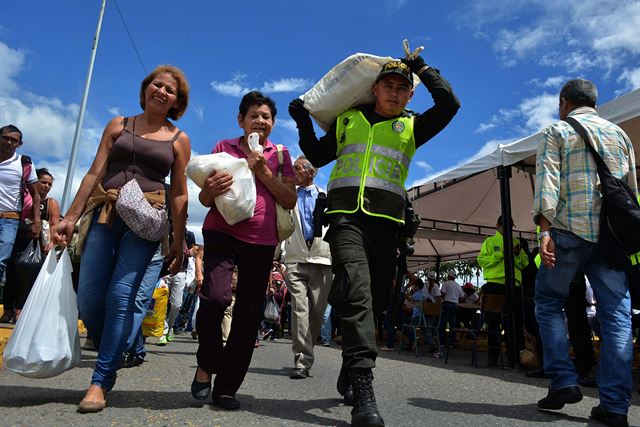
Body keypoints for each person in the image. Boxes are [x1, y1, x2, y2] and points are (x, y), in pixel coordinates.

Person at [289, 50, 459, 426]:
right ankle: (364, 393)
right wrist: (303, 120)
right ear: (375, 88)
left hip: (388, 227)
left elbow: (449, 104)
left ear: (410, 96)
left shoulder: (414, 126)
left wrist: (422, 69)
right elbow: (317, 154)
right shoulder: (349, 119)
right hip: (346, 219)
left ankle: (351, 366)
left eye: (402, 88)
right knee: (357, 294)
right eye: (388, 86)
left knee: (377, 303)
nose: (395, 93)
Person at [55, 65, 191, 413]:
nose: (161, 92)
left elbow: (178, 192)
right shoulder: (119, 124)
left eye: (169, 90)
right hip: (106, 212)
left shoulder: (179, 139)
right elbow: (94, 171)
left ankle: (100, 380)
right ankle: (115, 346)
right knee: (88, 297)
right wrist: (70, 216)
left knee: (120, 297)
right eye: (156, 85)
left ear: (177, 101)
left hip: (146, 220)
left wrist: (178, 239)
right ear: (146, 89)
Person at [533, 78, 636, 427]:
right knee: (617, 318)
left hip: (569, 231)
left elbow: (548, 178)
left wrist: (544, 230)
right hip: (611, 238)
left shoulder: (558, 130)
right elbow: (630, 191)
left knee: (548, 301)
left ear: (564, 102)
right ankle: (616, 406)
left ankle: (563, 380)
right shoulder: (620, 135)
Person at [193, 91, 296, 410]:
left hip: (261, 242)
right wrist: (208, 190)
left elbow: (289, 199)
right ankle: (207, 363)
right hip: (221, 232)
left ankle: (226, 388)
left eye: (266, 116)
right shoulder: (223, 148)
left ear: (273, 123)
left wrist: (262, 169)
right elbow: (206, 200)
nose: (260, 121)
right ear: (241, 120)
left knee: (249, 315)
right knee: (216, 297)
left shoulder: (281, 155)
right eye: (254, 115)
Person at [284, 155, 333, 379]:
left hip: (322, 259)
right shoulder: (288, 196)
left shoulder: (326, 196)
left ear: (310, 172)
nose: (292, 172)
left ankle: (307, 350)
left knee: (318, 312)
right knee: (299, 310)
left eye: (297, 169)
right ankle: (302, 361)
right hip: (295, 257)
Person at [0, 124, 41, 324]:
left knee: (1, 261)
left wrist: (36, 222)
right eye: (5, 137)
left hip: (9, 219)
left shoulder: (23, 164)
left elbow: (35, 195)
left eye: (13, 140)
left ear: (20, 144)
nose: (9, 142)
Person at [477, 215, 529, 366]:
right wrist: (502, 254)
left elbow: (525, 264)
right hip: (494, 284)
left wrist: (517, 255)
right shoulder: (490, 242)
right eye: (504, 226)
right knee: (493, 322)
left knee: (515, 323)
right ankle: (493, 357)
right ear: (497, 226)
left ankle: (516, 358)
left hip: (514, 285)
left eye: (510, 227)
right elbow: (482, 261)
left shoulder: (516, 242)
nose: (507, 229)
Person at [158, 228, 196, 345]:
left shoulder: (189, 235)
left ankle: (170, 327)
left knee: (176, 304)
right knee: (162, 302)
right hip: (166, 273)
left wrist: (191, 252)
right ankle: (163, 331)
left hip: (181, 272)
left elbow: (193, 253)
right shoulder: (166, 231)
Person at [35, 168, 61, 252]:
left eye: (50, 184)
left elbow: (54, 225)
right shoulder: (26, 199)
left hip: (40, 244)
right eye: (43, 182)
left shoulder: (51, 203)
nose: (47, 186)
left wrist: (52, 242)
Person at [438, 270, 463, 349]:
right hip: (455, 305)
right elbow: (462, 297)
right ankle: (451, 344)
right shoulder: (458, 286)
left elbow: (442, 293)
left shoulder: (446, 283)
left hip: (447, 304)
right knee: (452, 325)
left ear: (448, 276)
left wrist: (441, 298)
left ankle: (442, 343)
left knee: (442, 324)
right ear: (454, 277)